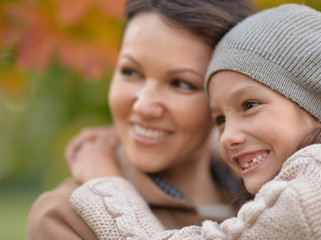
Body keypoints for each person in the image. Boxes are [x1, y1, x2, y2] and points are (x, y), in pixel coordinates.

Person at [69, 4, 321, 239]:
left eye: (249, 105)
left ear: (320, 104)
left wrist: (103, 181)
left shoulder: (318, 192)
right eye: (219, 119)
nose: (227, 137)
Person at [25, 0, 257, 239]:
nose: (144, 106)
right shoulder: (64, 217)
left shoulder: (271, 190)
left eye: (180, 83)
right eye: (130, 72)